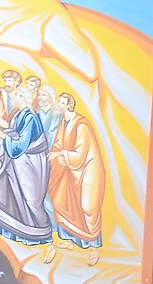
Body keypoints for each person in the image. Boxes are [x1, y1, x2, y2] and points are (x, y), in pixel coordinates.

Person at [0, 84, 52, 247]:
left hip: (30, 167)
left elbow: (20, 145)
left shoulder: (30, 117)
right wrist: (4, 134)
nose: (13, 98)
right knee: (1, 192)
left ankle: (44, 239)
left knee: (31, 202)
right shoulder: (19, 115)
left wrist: (2, 135)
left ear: (24, 99)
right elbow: (15, 136)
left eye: (17, 95)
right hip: (16, 165)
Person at [47, 92, 105, 266]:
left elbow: (81, 154)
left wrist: (62, 154)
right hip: (68, 170)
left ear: (69, 105)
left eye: (62, 102)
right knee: (61, 200)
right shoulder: (63, 124)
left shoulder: (81, 125)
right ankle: (69, 239)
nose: (58, 104)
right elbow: (58, 143)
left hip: (85, 171)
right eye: (58, 101)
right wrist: (56, 153)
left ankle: (94, 246)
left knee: (87, 208)